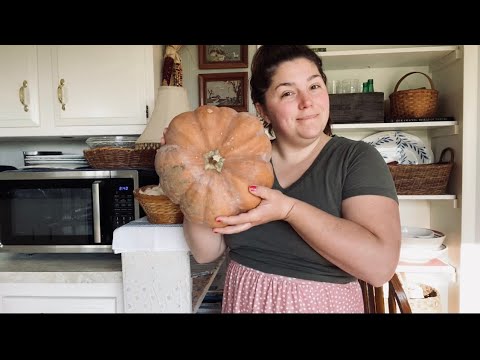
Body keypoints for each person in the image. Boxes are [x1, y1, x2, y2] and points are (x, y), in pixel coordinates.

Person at [181, 45, 401, 313]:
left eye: (314, 86)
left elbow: (379, 267)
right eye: (287, 92)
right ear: (263, 110)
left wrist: (289, 210)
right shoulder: (241, 161)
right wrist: (190, 174)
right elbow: (206, 252)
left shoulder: (356, 158)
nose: (307, 102)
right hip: (245, 302)